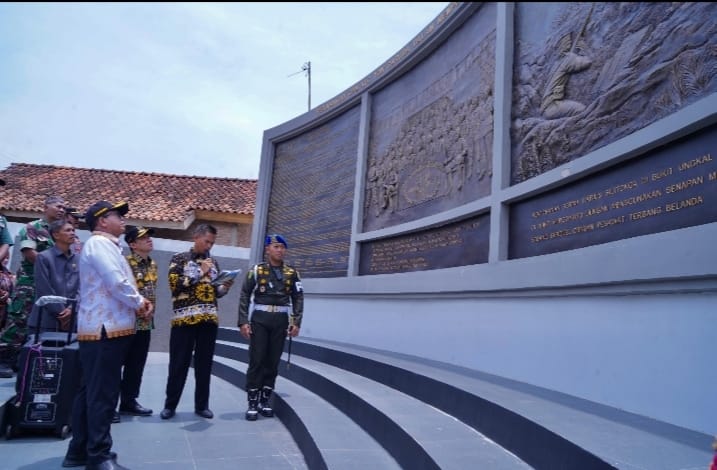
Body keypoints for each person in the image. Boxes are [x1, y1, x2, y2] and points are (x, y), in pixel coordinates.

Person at [63, 201, 152, 470]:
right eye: (117, 216)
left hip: (104, 329)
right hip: (105, 330)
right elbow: (116, 281)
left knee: (90, 391)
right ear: (102, 221)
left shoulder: (107, 245)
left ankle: (78, 450)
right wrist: (140, 303)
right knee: (102, 395)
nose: (123, 220)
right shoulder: (100, 245)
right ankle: (99, 455)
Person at [160, 223, 232, 420]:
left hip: (208, 320)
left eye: (212, 243)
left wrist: (225, 287)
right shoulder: (179, 259)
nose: (209, 246)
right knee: (178, 364)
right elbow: (175, 285)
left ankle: (202, 405)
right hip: (184, 321)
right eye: (206, 241)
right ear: (196, 237)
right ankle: (170, 405)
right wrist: (200, 271)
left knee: (204, 365)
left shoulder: (214, 263)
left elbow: (216, 292)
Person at [237, 234, 303, 421]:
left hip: (281, 319)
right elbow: (244, 294)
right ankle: (252, 402)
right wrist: (243, 321)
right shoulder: (256, 270)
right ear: (267, 249)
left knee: (272, 362)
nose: (280, 250)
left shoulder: (292, 273)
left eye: (282, 247)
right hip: (260, 318)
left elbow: (298, 298)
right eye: (276, 247)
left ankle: (264, 401)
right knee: (257, 360)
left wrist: (296, 322)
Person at [0, 195, 65, 378]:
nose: (61, 210)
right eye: (58, 206)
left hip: (50, 285)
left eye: (63, 207)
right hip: (30, 282)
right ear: (46, 207)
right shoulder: (32, 228)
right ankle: (3, 359)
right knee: (19, 319)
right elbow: (29, 253)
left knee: (37, 324)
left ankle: (22, 360)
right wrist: (54, 268)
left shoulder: (60, 232)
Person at [115, 225, 157, 422]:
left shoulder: (153, 264)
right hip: (127, 322)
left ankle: (129, 401)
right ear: (132, 244)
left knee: (136, 364)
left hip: (145, 323)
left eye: (149, 237)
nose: (149, 240)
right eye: (143, 237)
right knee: (116, 364)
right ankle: (110, 404)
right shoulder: (125, 262)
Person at [28, 219, 79, 333]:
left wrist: (72, 309)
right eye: (68, 230)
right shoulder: (44, 257)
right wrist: (62, 314)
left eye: (73, 230)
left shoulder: (78, 259)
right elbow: (44, 288)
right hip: (46, 321)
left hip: (72, 320)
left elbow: (82, 288)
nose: (72, 233)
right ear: (56, 235)